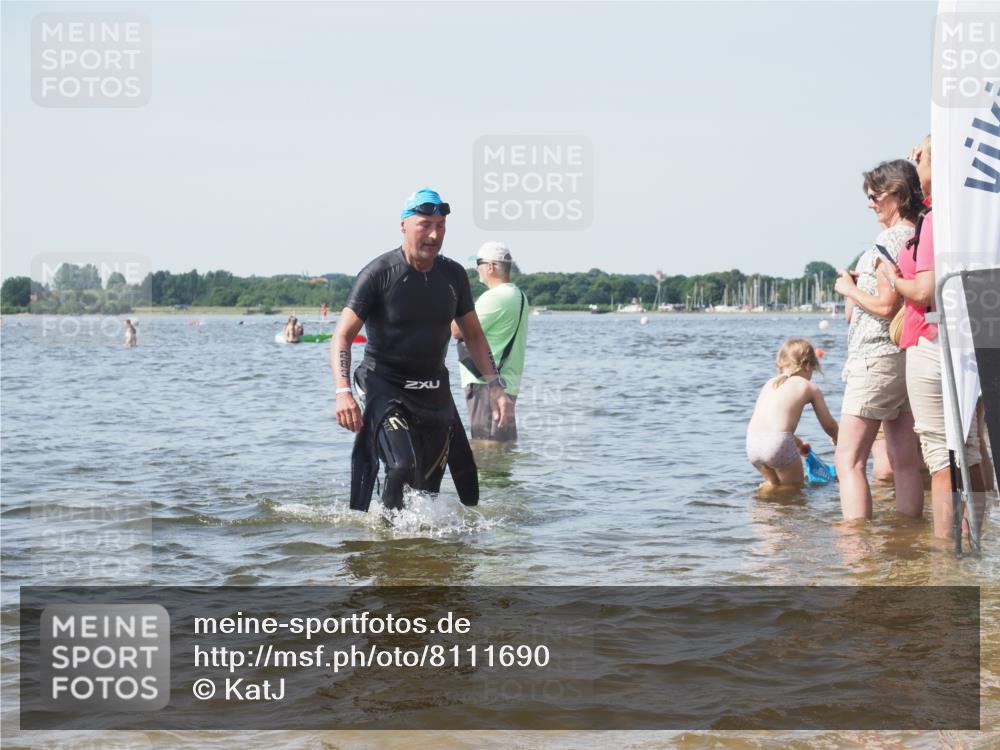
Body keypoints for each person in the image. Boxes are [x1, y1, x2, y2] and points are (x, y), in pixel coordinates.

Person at [331, 188, 514, 512]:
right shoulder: (379, 274)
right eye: (425, 224)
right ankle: (385, 543)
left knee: (443, 486)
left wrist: (496, 388)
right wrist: (343, 391)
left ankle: (427, 552)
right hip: (384, 384)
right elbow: (342, 336)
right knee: (401, 466)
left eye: (440, 226)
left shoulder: (453, 275)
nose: (434, 234)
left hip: (432, 388)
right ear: (403, 225)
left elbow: (473, 335)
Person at [876, 136, 985, 538]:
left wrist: (892, 278)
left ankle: (945, 557)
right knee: (969, 449)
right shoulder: (969, 216)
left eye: (918, 154)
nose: (911, 158)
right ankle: (974, 542)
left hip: (934, 337)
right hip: (967, 336)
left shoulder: (939, 219)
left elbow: (924, 290)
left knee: (942, 456)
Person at [834, 159, 924, 521]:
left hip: (876, 357)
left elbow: (887, 306)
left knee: (848, 458)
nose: (870, 204)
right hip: (905, 355)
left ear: (897, 196)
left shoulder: (888, 240)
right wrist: (855, 292)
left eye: (874, 196)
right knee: (905, 461)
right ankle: (907, 537)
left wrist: (847, 289)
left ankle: (856, 553)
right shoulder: (920, 233)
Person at [450, 242, 529, 441]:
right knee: (502, 449)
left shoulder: (495, 297)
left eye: (479, 263)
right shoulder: (519, 296)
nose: (477, 268)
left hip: (486, 383)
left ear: (490, 266)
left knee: (486, 449)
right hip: (507, 383)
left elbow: (457, 330)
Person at [746, 338, 839, 487]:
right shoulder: (808, 386)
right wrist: (838, 438)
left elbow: (771, 429)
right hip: (777, 445)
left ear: (781, 365)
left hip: (752, 444)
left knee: (773, 485)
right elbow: (829, 425)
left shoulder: (770, 383)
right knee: (794, 490)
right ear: (808, 365)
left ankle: (760, 507)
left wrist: (799, 443)